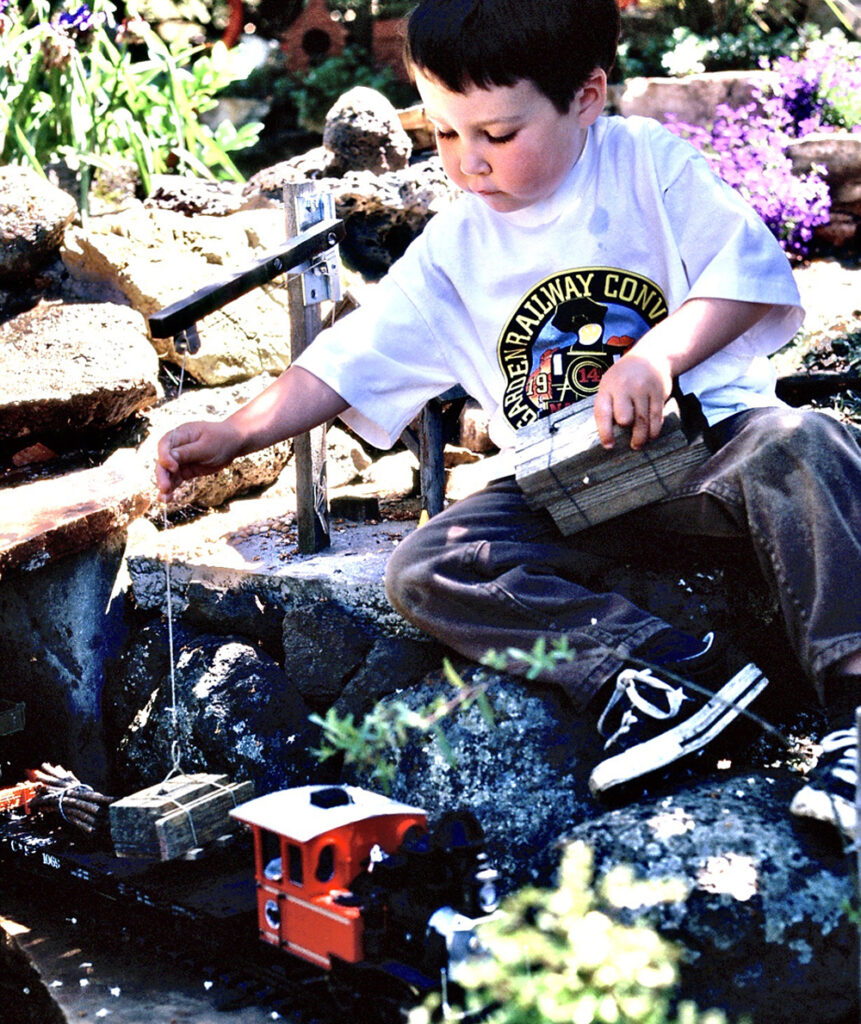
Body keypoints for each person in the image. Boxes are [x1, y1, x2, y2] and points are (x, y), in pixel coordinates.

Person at [156, 0, 861, 839]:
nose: (468, 163)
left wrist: (658, 356)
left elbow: (746, 275)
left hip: (706, 451)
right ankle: (661, 675)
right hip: (571, 490)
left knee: (807, 442)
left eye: (496, 134)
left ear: (587, 95)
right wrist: (235, 433)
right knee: (427, 565)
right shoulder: (456, 247)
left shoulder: (642, 163)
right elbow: (346, 359)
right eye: (446, 134)